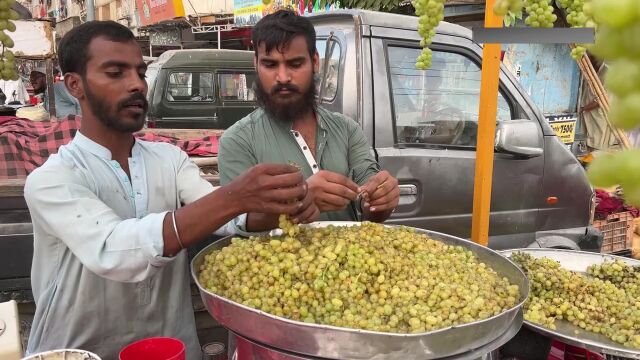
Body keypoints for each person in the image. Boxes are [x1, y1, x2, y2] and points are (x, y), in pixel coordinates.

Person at [23, 21, 318, 360]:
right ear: (76, 84)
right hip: (78, 351)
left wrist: (281, 207)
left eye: (140, 72)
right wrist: (235, 196)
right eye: (116, 73)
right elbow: (114, 250)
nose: (136, 85)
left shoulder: (170, 159)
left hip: (172, 348)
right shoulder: (53, 179)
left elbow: (227, 219)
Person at [219, 10, 400, 224]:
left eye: (295, 64)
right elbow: (238, 222)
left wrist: (381, 197)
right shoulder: (238, 141)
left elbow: (371, 209)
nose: (283, 77)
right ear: (255, 64)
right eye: (270, 64)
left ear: (315, 62)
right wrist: (301, 200)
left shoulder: (347, 129)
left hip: (348, 256)